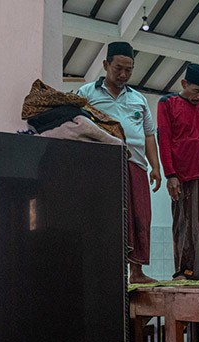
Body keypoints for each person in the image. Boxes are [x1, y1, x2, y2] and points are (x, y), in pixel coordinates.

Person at [77, 41, 161, 284]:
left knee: (140, 217)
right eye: (118, 69)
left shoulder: (139, 99)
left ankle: (137, 273)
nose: (123, 75)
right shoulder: (86, 94)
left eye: (129, 70)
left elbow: (149, 135)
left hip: (136, 165)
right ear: (106, 65)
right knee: (107, 218)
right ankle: (106, 275)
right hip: (103, 166)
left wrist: (155, 167)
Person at [157, 64, 199, 280]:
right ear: (184, 83)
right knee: (185, 225)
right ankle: (184, 271)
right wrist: (170, 175)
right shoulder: (167, 103)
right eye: (196, 91)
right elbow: (164, 140)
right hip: (182, 175)